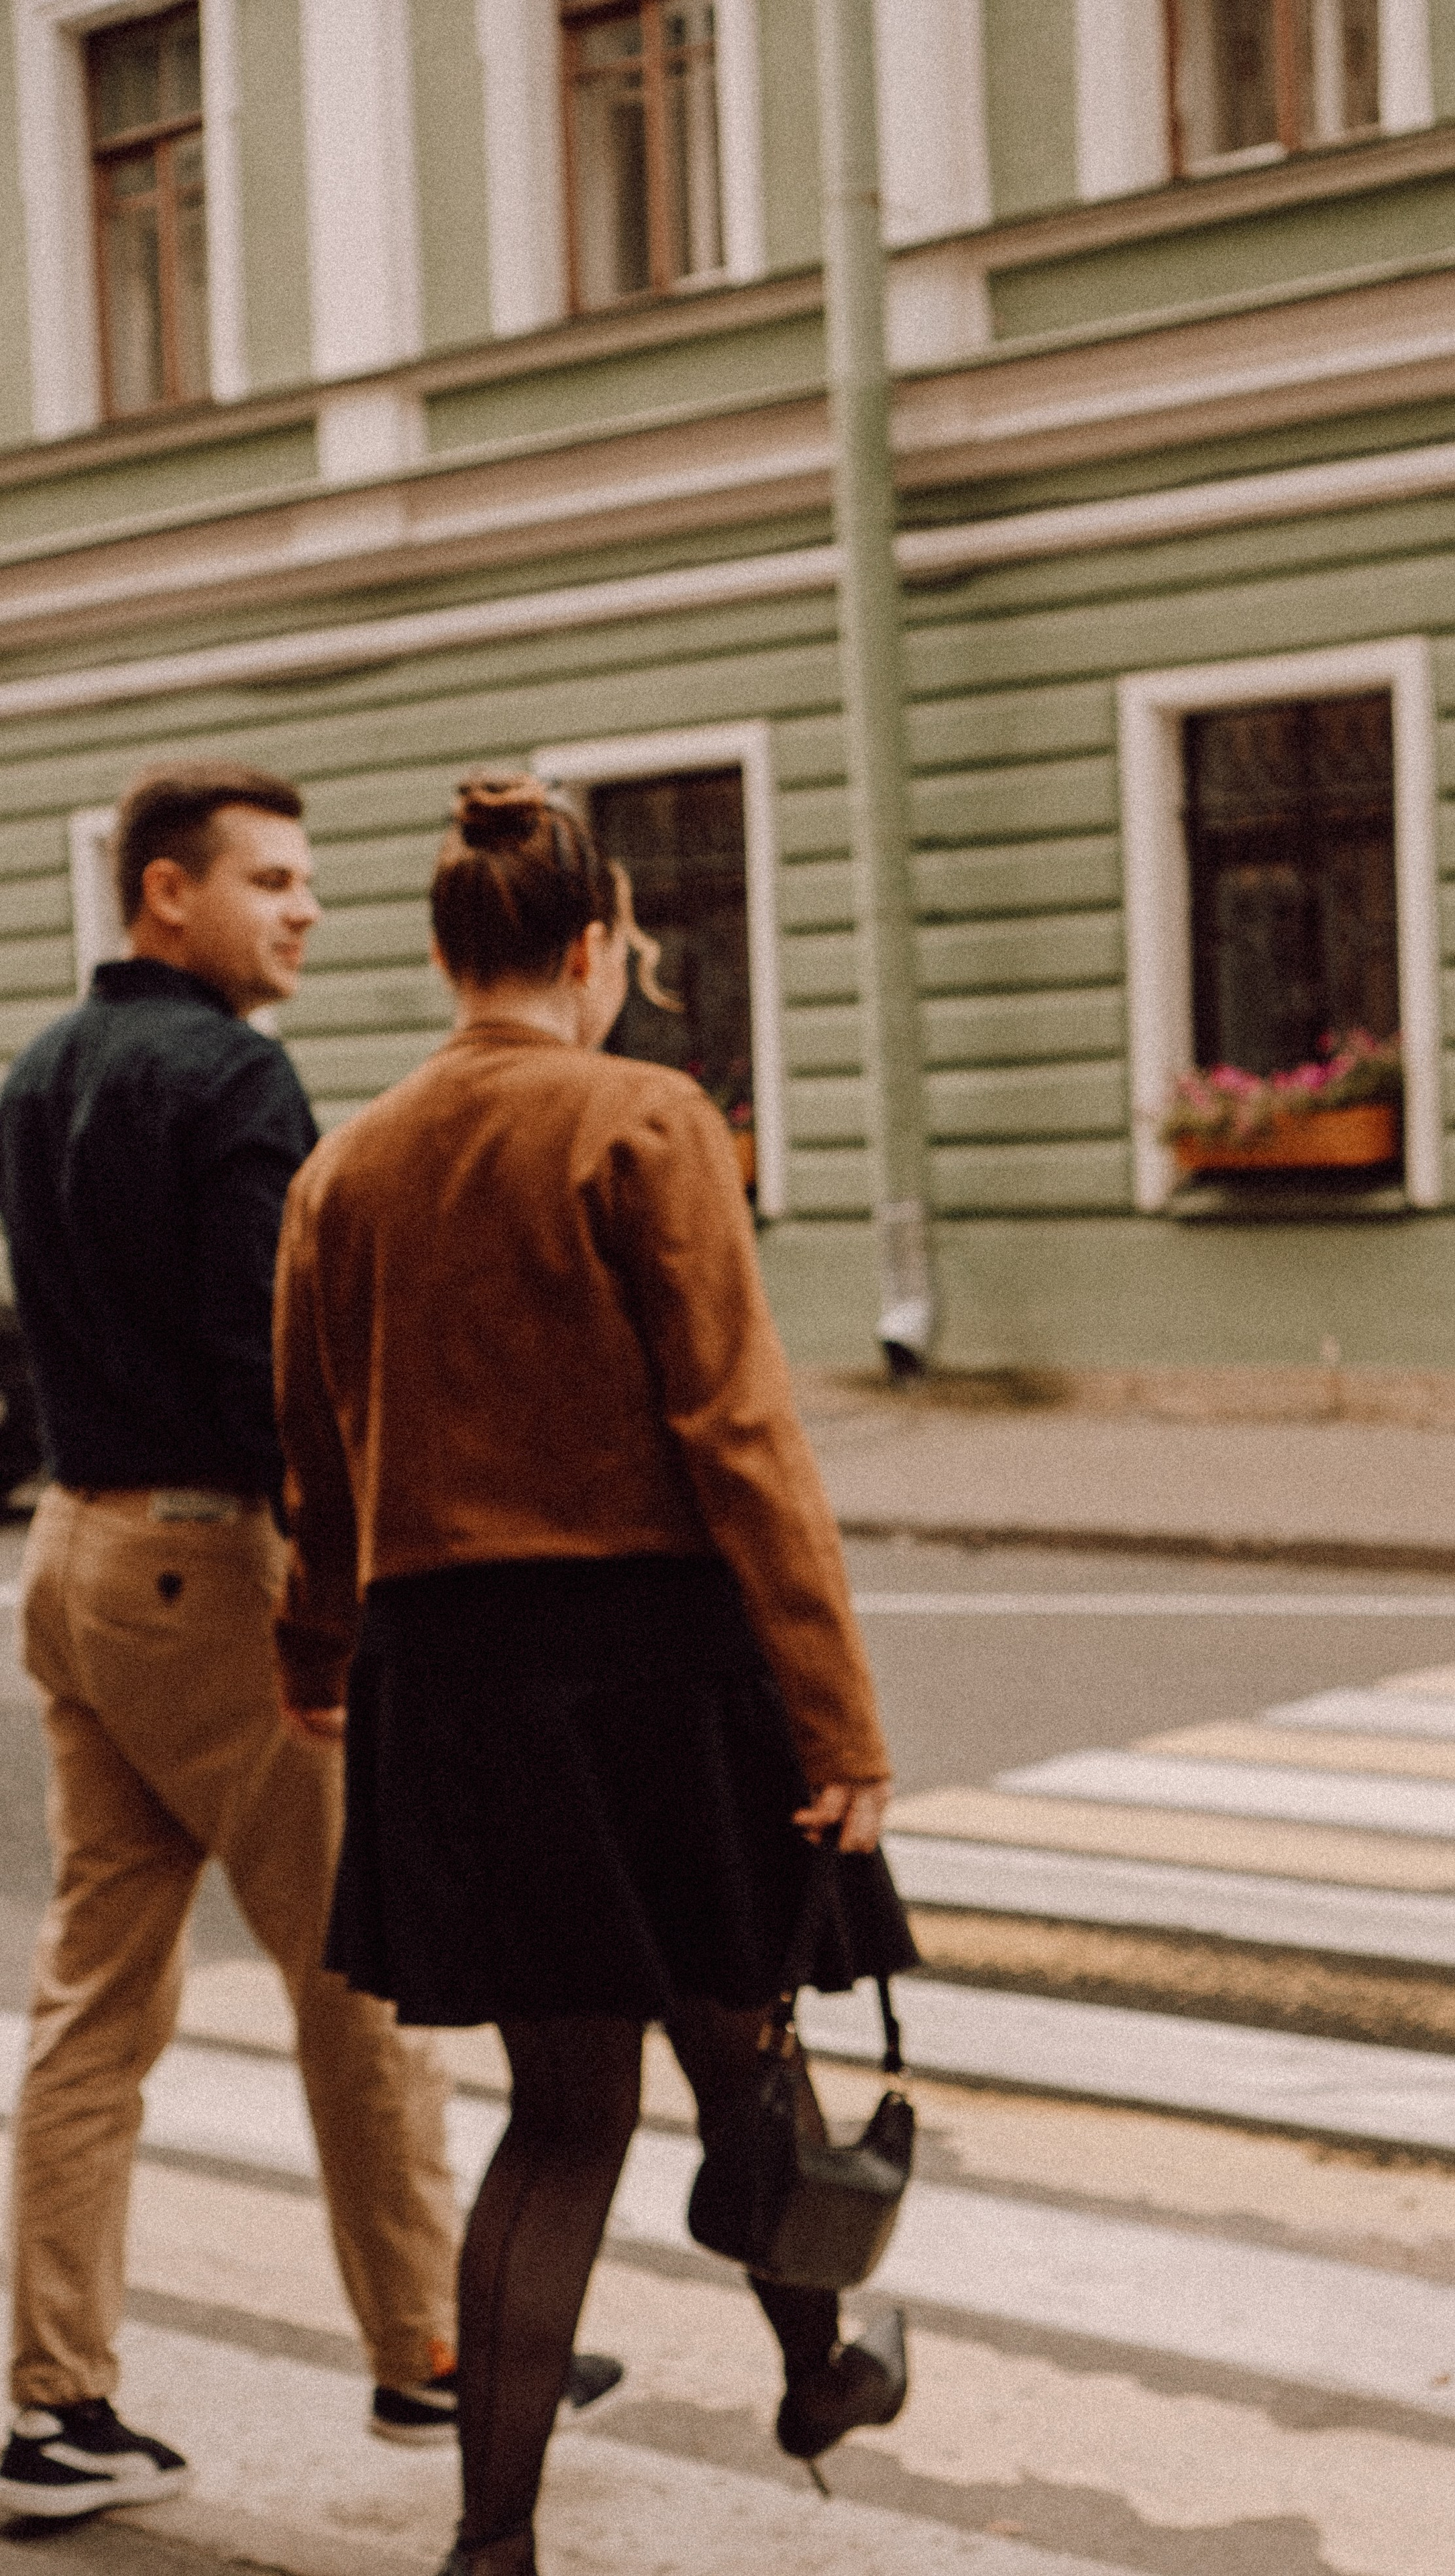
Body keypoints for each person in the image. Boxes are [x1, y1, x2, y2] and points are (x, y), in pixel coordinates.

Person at [272, 775, 918, 2576]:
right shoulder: (644, 1117)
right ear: (591, 947)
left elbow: (316, 1456)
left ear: (439, 952)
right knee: (726, 2046)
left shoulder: (347, 1162)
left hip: (456, 1680)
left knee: (591, 2110)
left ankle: (518, 2535)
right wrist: (843, 1724)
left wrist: (315, 1655)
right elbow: (742, 1437)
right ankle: (805, 2381)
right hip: (657, 1667)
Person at [0, 765, 617, 2522]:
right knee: (356, 1970)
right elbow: (274, 1362)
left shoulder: (40, 1070)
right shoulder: (235, 1080)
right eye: (267, 878)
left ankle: (53, 2407)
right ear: (162, 896)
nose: (307, 909)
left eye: (309, 881)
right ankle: (432, 2351)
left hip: (75, 1558)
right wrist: (343, 1589)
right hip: (211, 1567)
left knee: (92, 2007)